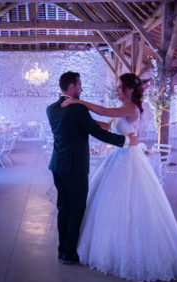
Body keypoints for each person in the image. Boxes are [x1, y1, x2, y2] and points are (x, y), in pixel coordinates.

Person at [61, 73, 177, 282]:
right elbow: (108, 124)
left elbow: (106, 111)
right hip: (118, 155)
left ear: (129, 89)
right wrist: (86, 123)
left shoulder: (131, 108)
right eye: (116, 87)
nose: (116, 90)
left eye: (119, 87)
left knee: (130, 203)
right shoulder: (121, 110)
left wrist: (78, 102)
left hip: (129, 158)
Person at [46, 71, 138, 265]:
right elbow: (97, 132)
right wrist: (125, 140)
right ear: (71, 87)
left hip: (57, 165)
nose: (81, 88)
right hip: (75, 167)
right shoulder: (77, 109)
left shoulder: (52, 109)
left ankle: (62, 249)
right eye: (79, 85)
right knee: (77, 208)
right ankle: (69, 253)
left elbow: (94, 126)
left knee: (63, 208)